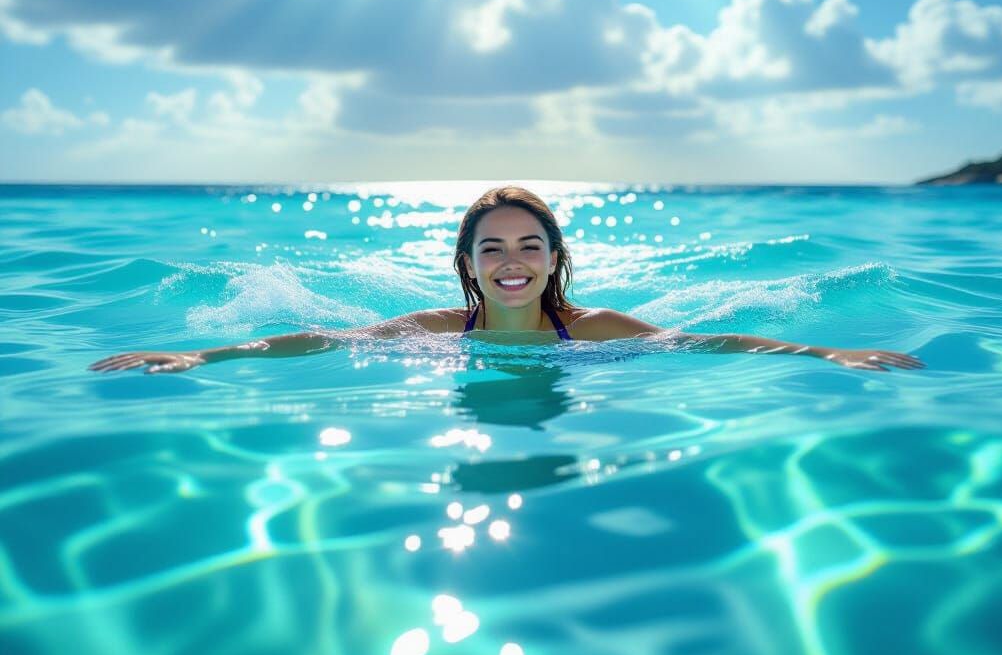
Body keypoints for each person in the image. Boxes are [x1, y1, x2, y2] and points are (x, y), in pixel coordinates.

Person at [88, 185, 925, 375]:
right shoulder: (439, 329)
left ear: (556, 258)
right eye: (493, 248)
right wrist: (204, 358)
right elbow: (315, 338)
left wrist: (822, 353)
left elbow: (712, 339)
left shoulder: (588, 327)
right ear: (468, 264)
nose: (512, 260)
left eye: (531, 244)